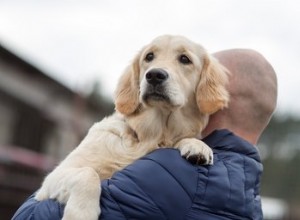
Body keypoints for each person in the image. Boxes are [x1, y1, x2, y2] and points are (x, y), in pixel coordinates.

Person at [12, 49, 277, 220]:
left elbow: (31, 215)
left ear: (216, 94)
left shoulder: (176, 173)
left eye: (185, 61)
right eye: (149, 57)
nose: (157, 71)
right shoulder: (248, 195)